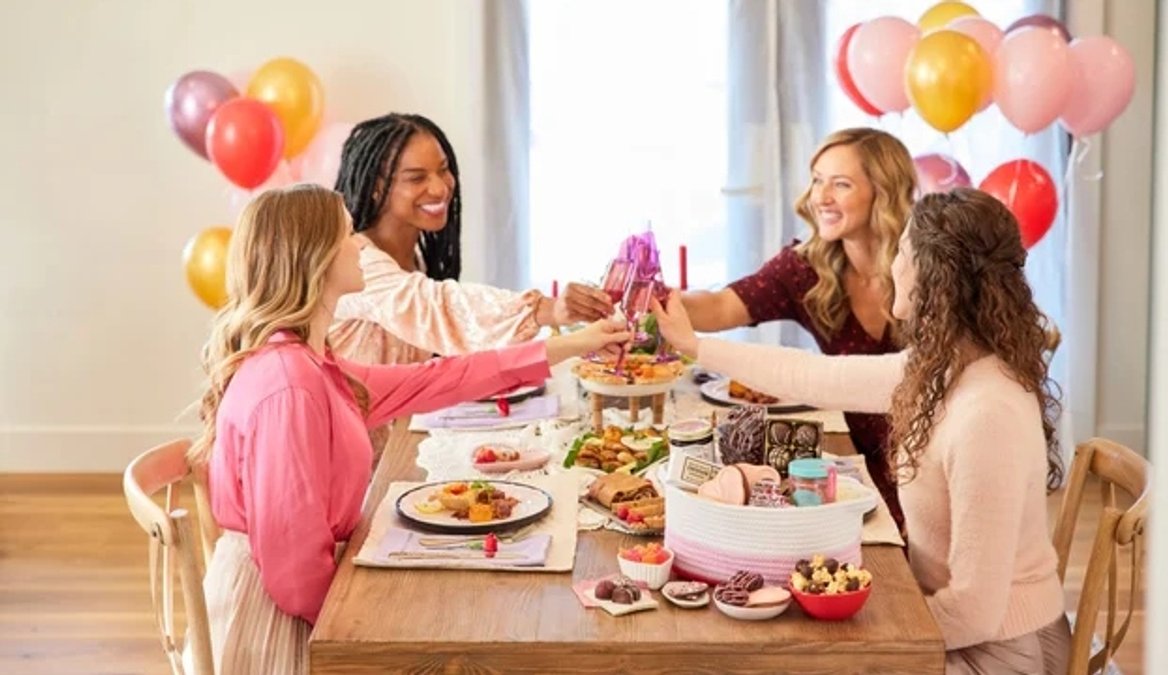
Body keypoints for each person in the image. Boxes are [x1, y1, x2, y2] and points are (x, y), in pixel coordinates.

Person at [187, 184, 629, 674]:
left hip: (301, 594)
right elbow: (293, 572)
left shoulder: (311, 364)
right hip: (280, 621)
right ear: (314, 258)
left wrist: (571, 345)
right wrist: (373, 638)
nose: (361, 245)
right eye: (348, 233)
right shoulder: (289, 386)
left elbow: (437, 378)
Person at [654, 188, 1069, 673]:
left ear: (934, 280)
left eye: (904, 253)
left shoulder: (987, 414)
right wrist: (695, 345)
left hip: (997, 650)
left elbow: (976, 610)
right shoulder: (946, 368)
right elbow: (816, 377)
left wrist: (869, 637)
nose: (893, 266)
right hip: (954, 625)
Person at [681, 127, 916, 530]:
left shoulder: (928, 266)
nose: (820, 197)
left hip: (926, 465)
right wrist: (647, 296)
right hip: (855, 464)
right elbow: (720, 306)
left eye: (840, 184)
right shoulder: (807, 268)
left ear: (885, 192)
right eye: (817, 181)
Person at [329, 112, 612, 366]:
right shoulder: (356, 262)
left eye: (443, 169)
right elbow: (437, 307)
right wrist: (545, 309)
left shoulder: (416, 260)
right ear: (376, 188)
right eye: (417, 178)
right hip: (343, 426)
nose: (440, 188)